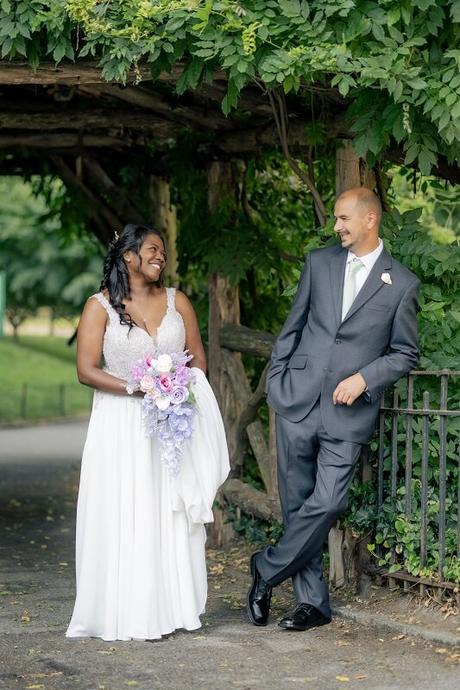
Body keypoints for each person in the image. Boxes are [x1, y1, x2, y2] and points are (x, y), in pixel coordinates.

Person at [247, 188, 420, 631]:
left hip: (348, 412)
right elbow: (294, 326)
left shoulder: (401, 283)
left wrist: (365, 378)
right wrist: (277, 383)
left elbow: (404, 353)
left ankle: (266, 569)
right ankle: (312, 604)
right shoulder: (318, 264)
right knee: (296, 502)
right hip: (297, 400)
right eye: (337, 219)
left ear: (370, 220)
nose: (337, 226)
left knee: (328, 501)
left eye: (344, 218)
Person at [66, 223, 229, 641]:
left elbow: (198, 361)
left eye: (163, 252)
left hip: (171, 426)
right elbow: (86, 370)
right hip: (119, 425)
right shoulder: (99, 307)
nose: (161, 257)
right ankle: (125, 610)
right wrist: (137, 389)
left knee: (166, 511)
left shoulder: (179, 302)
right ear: (128, 257)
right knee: (125, 510)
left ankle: (171, 608)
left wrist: (177, 392)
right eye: (153, 250)